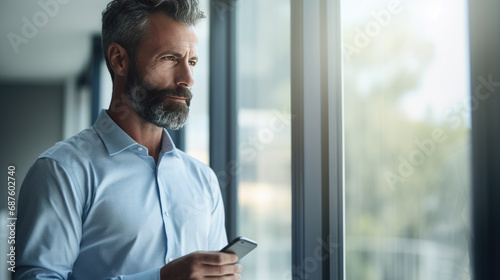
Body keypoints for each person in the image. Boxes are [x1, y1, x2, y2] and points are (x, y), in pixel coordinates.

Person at [15, 0, 242, 279]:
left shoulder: (203, 180)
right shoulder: (61, 170)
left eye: (191, 61)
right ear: (119, 60)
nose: (188, 78)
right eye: (170, 58)